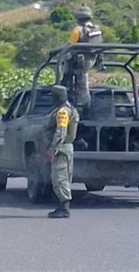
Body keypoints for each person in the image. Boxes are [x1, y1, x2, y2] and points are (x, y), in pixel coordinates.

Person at [47, 85, 79, 219]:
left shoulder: (62, 112)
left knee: (60, 178)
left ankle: (64, 207)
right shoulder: (70, 109)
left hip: (61, 148)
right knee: (63, 177)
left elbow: (60, 132)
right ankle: (62, 206)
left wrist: (52, 149)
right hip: (65, 147)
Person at [65, 5, 103, 107]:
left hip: (81, 61)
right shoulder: (95, 29)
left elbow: (69, 46)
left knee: (81, 84)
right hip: (93, 59)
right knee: (83, 81)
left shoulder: (77, 30)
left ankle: (85, 105)